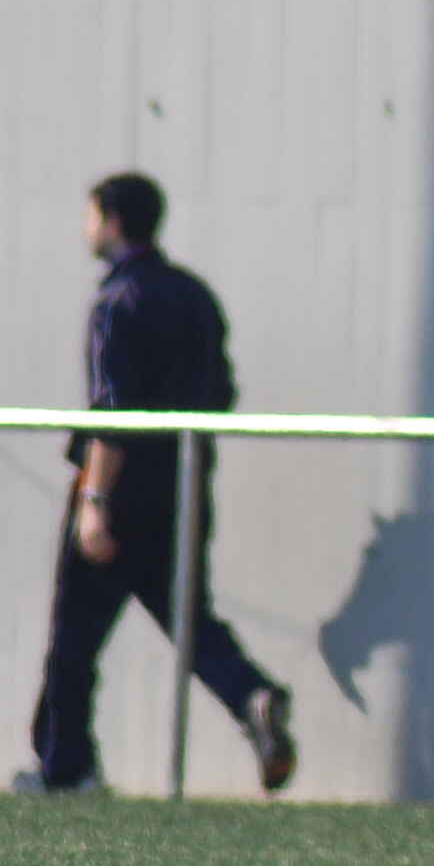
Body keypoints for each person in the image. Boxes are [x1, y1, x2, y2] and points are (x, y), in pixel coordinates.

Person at [20, 173, 297, 796]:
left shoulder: (118, 302)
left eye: (91, 215)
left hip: (121, 489)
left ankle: (68, 770)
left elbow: (112, 412)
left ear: (113, 221)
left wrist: (94, 501)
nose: (86, 228)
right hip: (185, 483)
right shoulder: (195, 296)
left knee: (75, 637)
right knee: (190, 619)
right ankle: (252, 695)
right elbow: (221, 395)